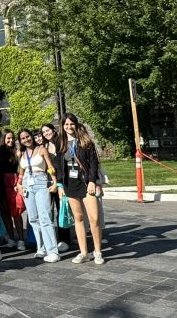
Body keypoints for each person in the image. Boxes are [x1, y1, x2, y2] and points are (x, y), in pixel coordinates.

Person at [57, 113, 105, 265]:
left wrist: (92, 181)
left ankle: (97, 251)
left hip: (85, 182)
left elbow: (93, 163)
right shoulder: (61, 143)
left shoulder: (85, 141)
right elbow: (58, 166)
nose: (69, 127)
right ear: (63, 126)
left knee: (94, 218)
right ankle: (84, 252)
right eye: (66, 124)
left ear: (75, 125)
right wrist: (60, 185)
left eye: (71, 124)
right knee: (78, 218)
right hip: (70, 184)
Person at [15, 128, 59, 261]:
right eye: (23, 138)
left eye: (28, 136)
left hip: (41, 182)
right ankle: (41, 248)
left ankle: (53, 251)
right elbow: (21, 172)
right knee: (33, 218)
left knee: (45, 216)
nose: (26, 139)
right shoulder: (22, 154)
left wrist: (55, 181)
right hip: (28, 185)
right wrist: (19, 183)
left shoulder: (41, 149)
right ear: (20, 141)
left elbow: (50, 167)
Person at [41, 123, 70, 253]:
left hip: (60, 182)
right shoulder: (44, 146)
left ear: (53, 130)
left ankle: (64, 240)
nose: (46, 133)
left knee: (61, 209)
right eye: (44, 132)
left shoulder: (61, 143)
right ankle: (52, 239)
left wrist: (59, 183)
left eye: (48, 130)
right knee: (48, 211)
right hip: (47, 182)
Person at [0, 130, 25, 250]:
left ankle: (21, 239)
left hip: (14, 183)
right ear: (3, 139)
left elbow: (21, 169)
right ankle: (11, 238)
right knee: (5, 212)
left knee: (16, 212)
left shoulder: (17, 152)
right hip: (1, 184)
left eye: (12, 138)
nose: (11, 140)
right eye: (8, 138)